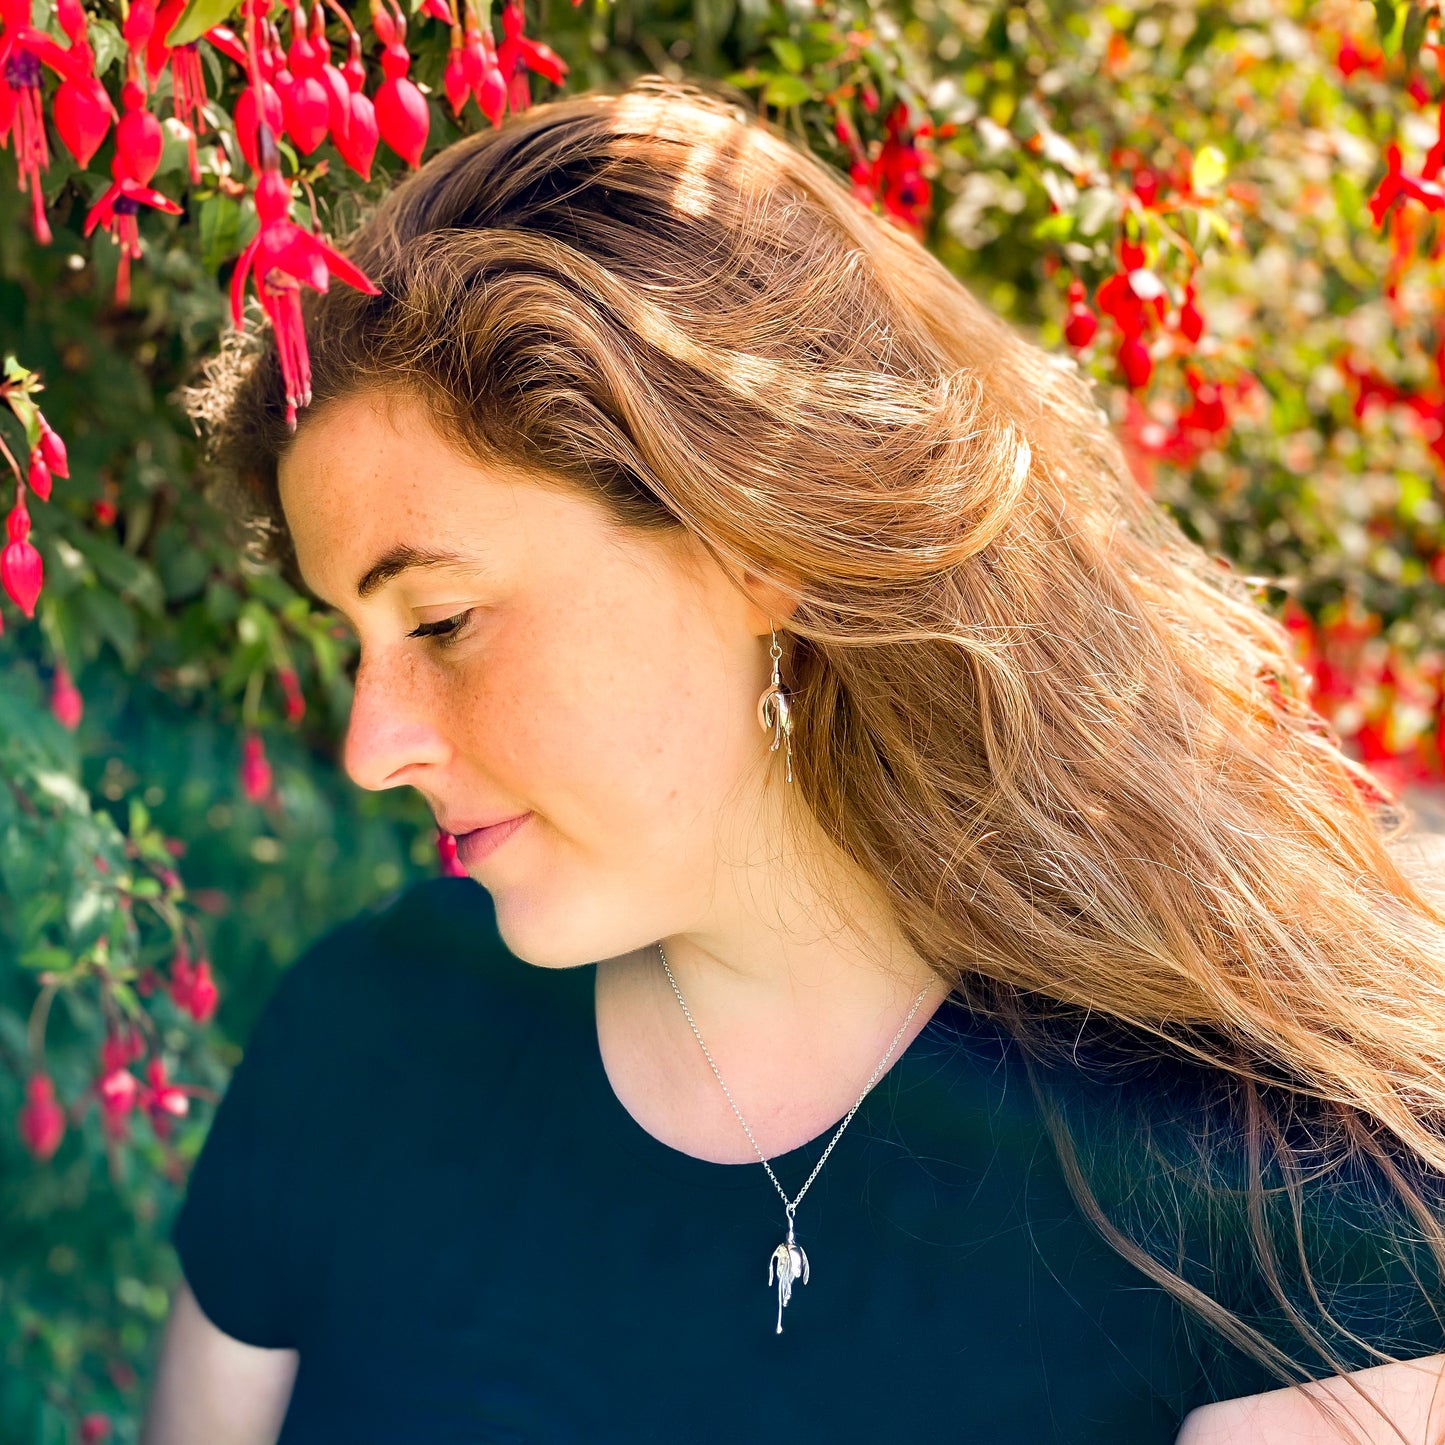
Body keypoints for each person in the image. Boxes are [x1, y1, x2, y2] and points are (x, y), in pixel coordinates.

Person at [141, 74, 1445, 1444]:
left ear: (750, 536)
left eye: (444, 620)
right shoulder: (367, 1037)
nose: (372, 745)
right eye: (355, 637)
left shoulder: (1278, 1201)